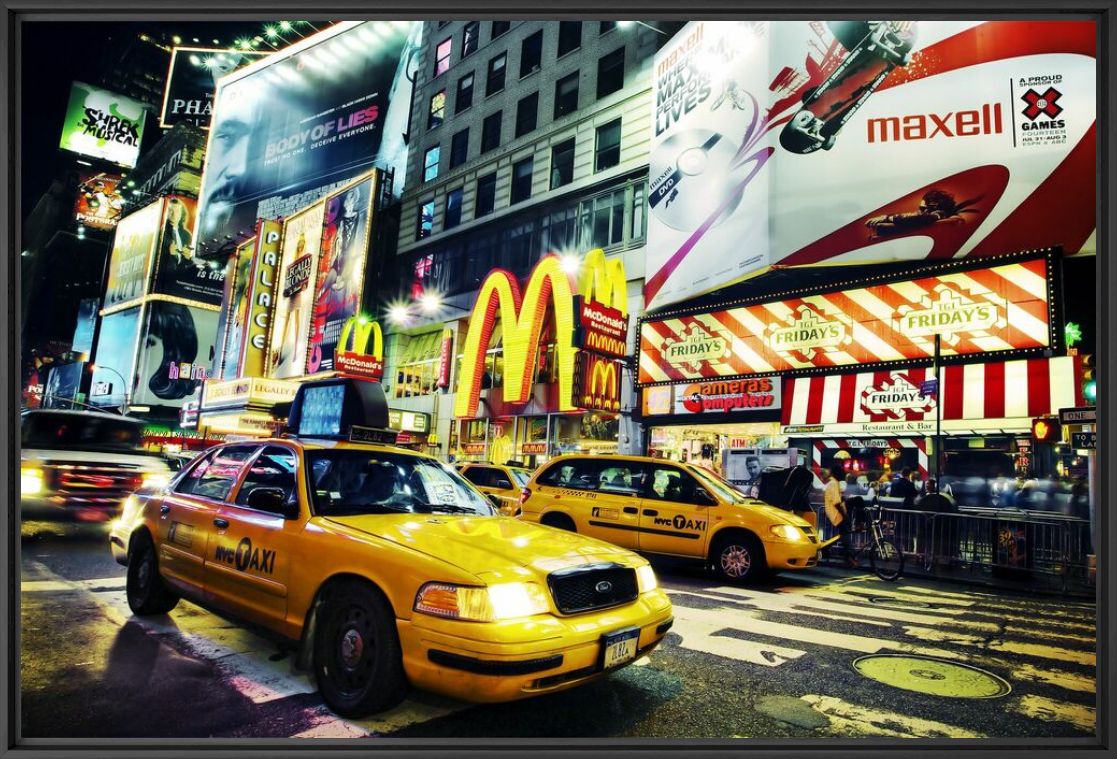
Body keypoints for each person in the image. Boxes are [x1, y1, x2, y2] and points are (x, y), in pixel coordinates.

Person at [823, 463, 854, 566]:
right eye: (842, 473)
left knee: (843, 534)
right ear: (837, 473)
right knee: (845, 534)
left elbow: (839, 499)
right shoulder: (833, 484)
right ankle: (847, 557)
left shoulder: (835, 483)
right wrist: (845, 516)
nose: (843, 475)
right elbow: (836, 503)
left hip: (837, 512)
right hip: (835, 513)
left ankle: (830, 550)